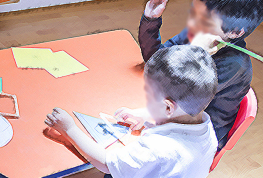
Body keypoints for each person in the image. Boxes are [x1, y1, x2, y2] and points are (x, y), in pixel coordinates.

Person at [45, 45, 218, 178]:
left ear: (167, 108)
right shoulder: (206, 127)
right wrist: (145, 114)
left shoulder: (157, 149)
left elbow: (106, 162)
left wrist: (69, 129)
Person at [138, 0, 263, 149]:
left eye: (205, 19)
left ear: (235, 32)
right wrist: (151, 20)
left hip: (196, 140)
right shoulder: (198, 32)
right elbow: (155, 62)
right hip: (173, 115)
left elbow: (179, 95)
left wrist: (196, 55)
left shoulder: (234, 66)